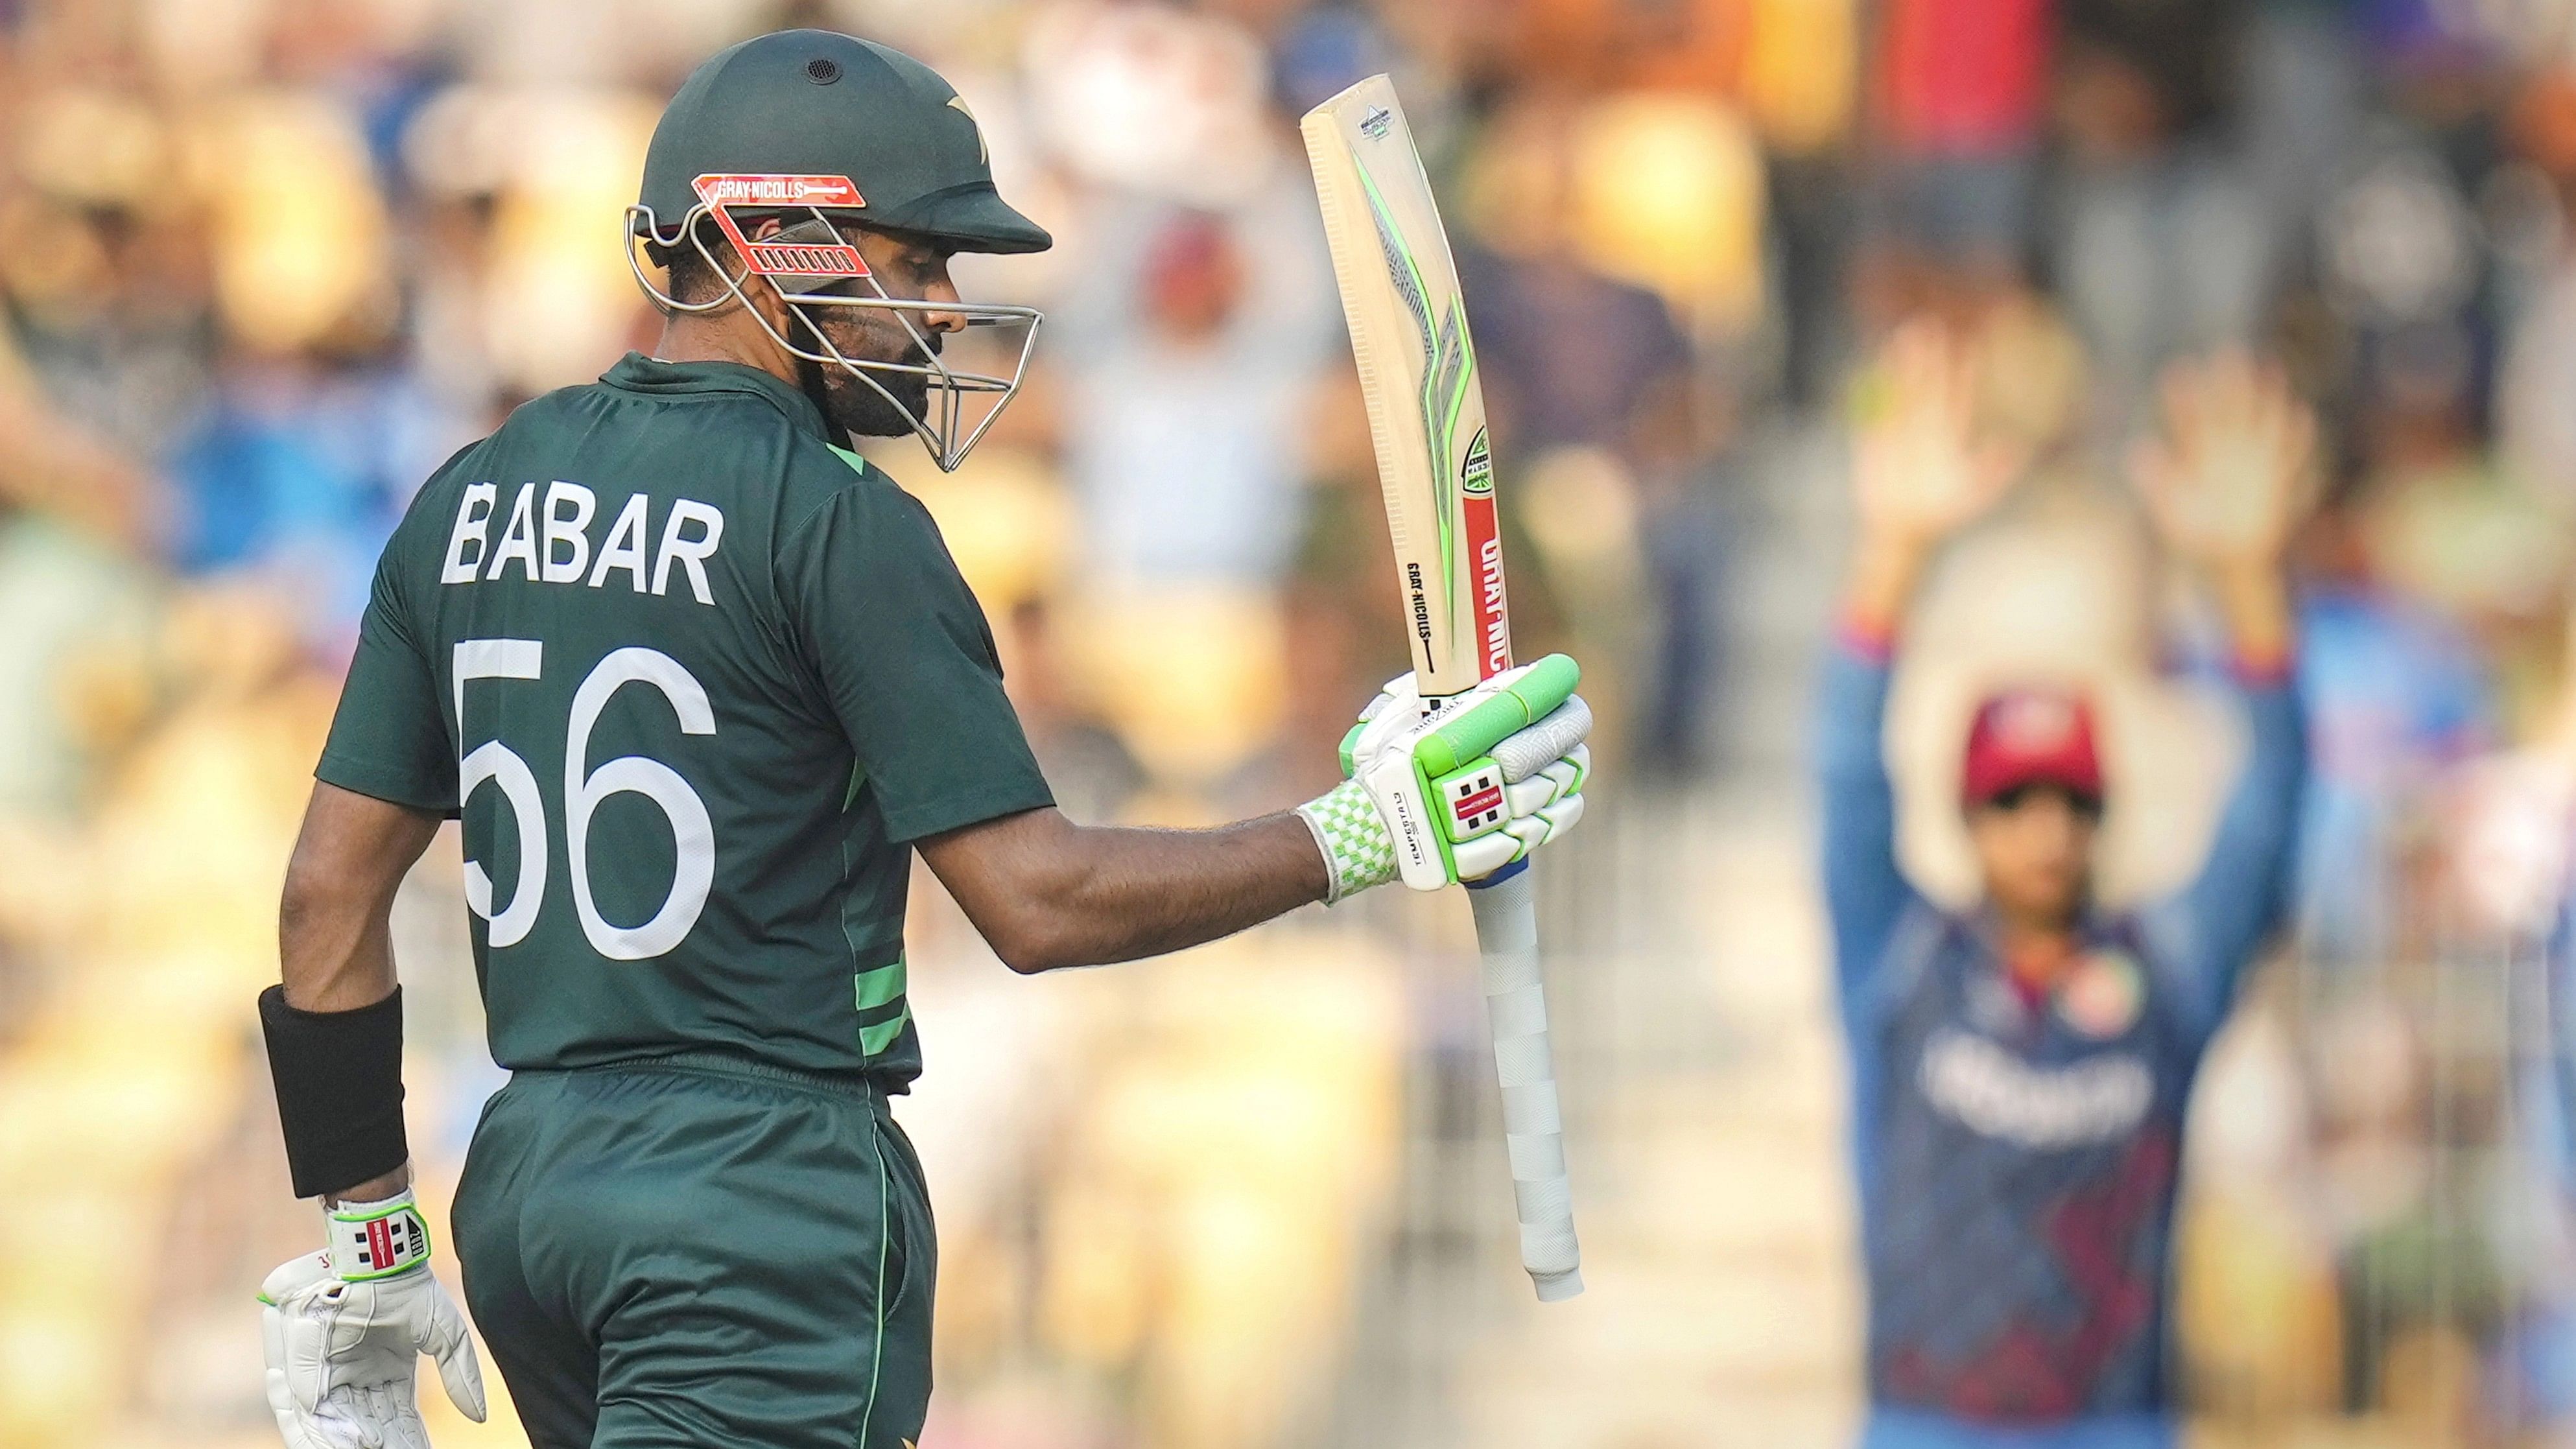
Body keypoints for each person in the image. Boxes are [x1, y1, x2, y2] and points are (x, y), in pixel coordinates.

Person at [248, 31, 1593, 1449]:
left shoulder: (471, 492)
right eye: (920, 263)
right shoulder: (836, 517)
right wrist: (1357, 835)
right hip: (758, 1203)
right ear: (782, 245)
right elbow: (1033, 900)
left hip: (527, 1191)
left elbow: (325, 895)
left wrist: (372, 1234)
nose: (946, 313)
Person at [1819, 325, 2310, 1448]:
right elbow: (1844, 777)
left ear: (2102, 817)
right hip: (1918, 1424)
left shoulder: (2167, 975)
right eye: (2011, 801)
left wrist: (2244, 585)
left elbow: (2268, 809)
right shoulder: (1902, 968)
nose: (2042, 830)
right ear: (1965, 815)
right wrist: (1891, 553)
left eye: (2069, 802)